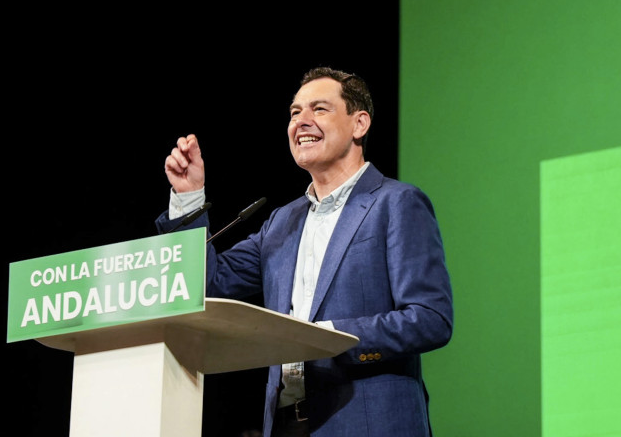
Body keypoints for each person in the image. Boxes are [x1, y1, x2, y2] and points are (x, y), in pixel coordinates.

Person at [157, 67, 453, 437]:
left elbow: (430, 319)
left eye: (320, 109)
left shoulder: (397, 203)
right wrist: (189, 199)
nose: (301, 121)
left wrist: (331, 338)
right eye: (295, 112)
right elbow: (203, 285)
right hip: (286, 425)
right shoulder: (281, 222)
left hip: (367, 422)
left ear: (359, 124)